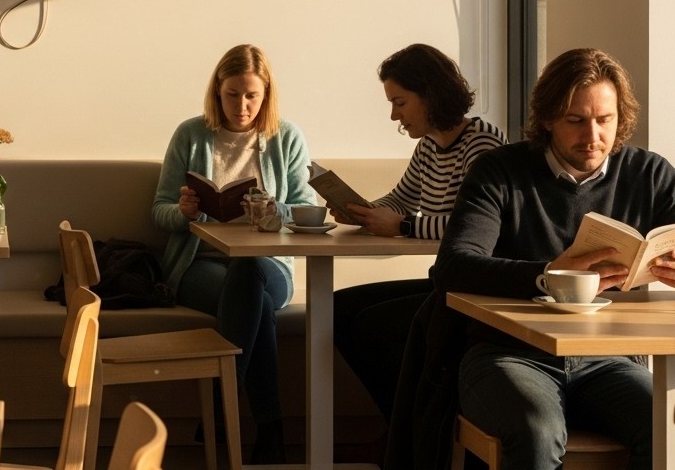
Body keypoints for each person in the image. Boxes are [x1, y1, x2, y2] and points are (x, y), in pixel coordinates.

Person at [430, 47, 675, 468]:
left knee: (674, 429)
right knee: (537, 432)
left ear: (620, 118)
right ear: (547, 119)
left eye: (604, 120)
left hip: (609, 358)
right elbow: (452, 267)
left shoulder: (647, 173)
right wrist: (549, 275)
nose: (592, 136)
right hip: (509, 354)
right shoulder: (499, 171)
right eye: (576, 121)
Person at [151, 43, 314, 464]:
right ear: (216, 92)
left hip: (269, 265)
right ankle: (271, 431)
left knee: (252, 274)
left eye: (251, 96)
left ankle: (224, 404)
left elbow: (304, 209)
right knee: (254, 304)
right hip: (199, 264)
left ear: (266, 95)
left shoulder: (287, 137)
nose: (242, 106)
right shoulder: (190, 133)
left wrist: (270, 208)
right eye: (232, 95)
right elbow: (159, 210)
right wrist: (184, 211)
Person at [330, 44, 505, 437]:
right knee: (337, 309)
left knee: (371, 326)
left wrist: (403, 226)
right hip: (444, 281)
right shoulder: (429, 147)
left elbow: (473, 226)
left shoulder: (483, 143)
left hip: (473, 291)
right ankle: (407, 429)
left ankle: (418, 430)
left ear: (430, 94)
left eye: (400, 102)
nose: (394, 115)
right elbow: (400, 198)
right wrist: (362, 211)